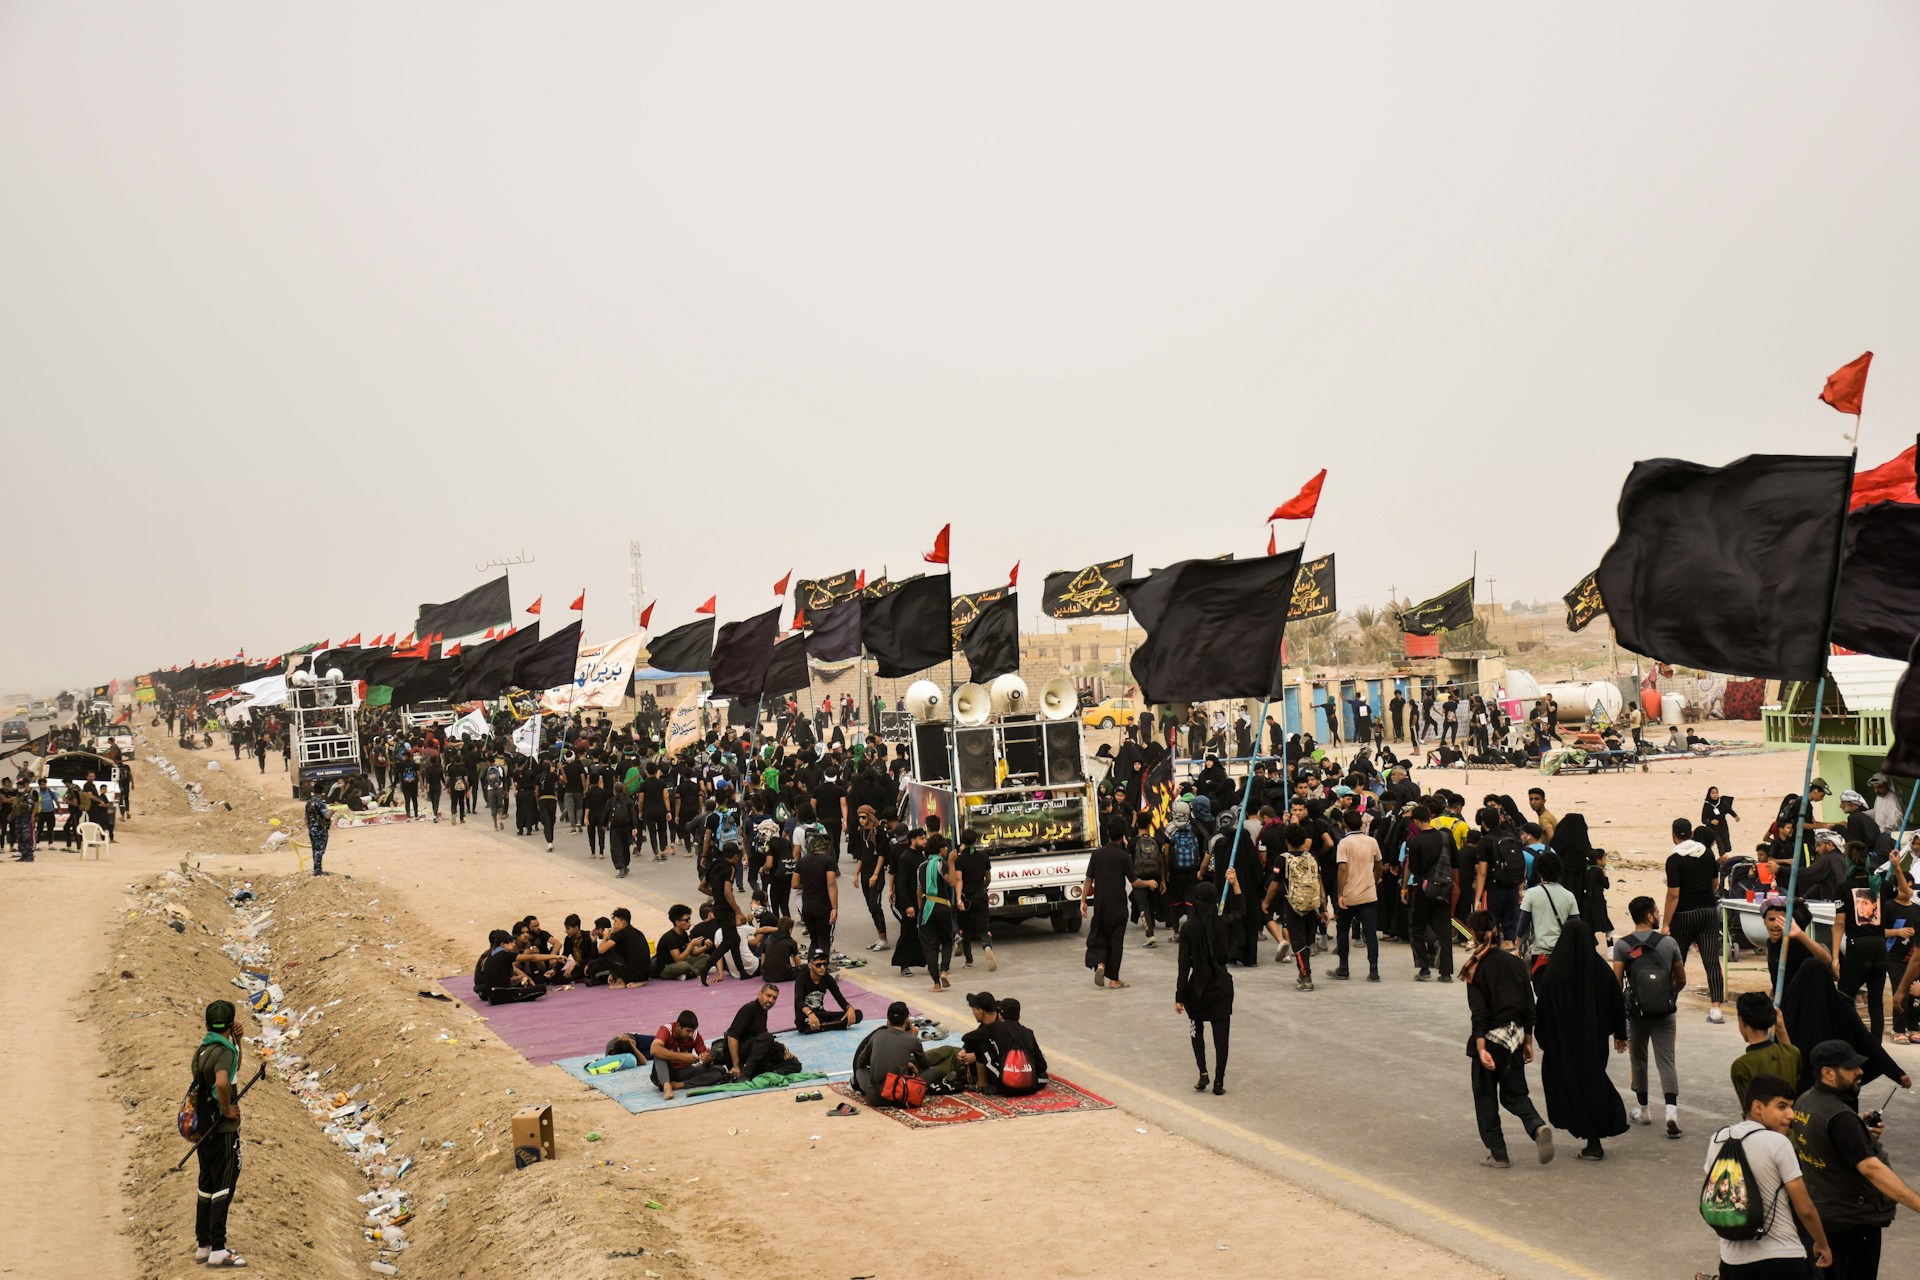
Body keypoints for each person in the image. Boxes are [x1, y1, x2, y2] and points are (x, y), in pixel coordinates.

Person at [1790, 1040, 1920, 1277]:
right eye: (1850, 1068)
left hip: (1824, 1219)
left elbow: (1825, 1146)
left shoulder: (1805, 1102)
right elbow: (1872, 1169)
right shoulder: (1840, 1117)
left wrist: (1862, 1134)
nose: (1859, 1072)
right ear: (1828, 1073)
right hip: (1853, 1222)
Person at [1702, 1072, 1832, 1278]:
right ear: (1758, 1107)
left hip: (1732, 1261)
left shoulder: (1718, 1139)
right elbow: (1805, 1208)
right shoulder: (1778, 1143)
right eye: (1782, 1106)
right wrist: (1822, 1244)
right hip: (1782, 1258)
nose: (1791, 1114)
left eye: (1791, 1106)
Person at [1462, 910, 1554, 1169]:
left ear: (1475, 935)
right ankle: (1537, 1127)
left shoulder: (1474, 967)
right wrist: (1527, 1040)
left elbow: (1478, 1013)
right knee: (1515, 1094)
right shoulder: (1515, 963)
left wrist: (1481, 1049)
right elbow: (1528, 1004)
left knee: (1486, 1097)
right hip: (1513, 1038)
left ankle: (1498, 1154)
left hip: (1489, 1040)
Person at [1610, 895, 1687, 1137]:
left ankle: (1643, 1110)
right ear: (1650, 916)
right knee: (1667, 1060)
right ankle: (1671, 1113)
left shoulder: (1623, 945)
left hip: (1637, 1014)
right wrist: (1669, 995)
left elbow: (1616, 984)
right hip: (1665, 1013)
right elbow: (1682, 978)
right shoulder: (1669, 943)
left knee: (1639, 1059)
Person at [190, 999, 248, 1268]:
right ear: (231, 1022)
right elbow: (224, 1081)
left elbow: (230, 1071)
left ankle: (204, 1245)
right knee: (224, 1184)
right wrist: (226, 1110)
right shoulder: (224, 1052)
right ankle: (219, 1249)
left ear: (207, 1024)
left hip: (203, 1127)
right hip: (221, 1127)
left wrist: (238, 1042)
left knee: (207, 1183)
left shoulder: (204, 1049)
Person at [1661, 817, 1727, 1024]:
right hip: (1707, 911)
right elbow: (1715, 884)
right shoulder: (1707, 853)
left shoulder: (1674, 859)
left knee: (1677, 959)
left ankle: (1670, 1001)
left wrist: (1665, 924)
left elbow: (1673, 894)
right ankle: (1716, 1008)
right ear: (1691, 833)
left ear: (1673, 835)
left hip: (1684, 915)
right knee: (1711, 960)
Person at [1176, 879, 1234, 1095]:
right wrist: (1236, 888)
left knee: (1195, 1030)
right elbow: (1244, 912)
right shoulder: (1223, 923)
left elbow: (1183, 966)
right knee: (1222, 1036)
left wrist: (1179, 996)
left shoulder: (1188, 928)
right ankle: (1219, 1080)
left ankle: (1203, 1072)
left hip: (1197, 988)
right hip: (1221, 986)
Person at [1405, 804, 1455, 982]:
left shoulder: (1416, 842)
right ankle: (1446, 972)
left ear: (1416, 822)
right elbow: (1454, 863)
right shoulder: (1445, 837)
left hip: (1423, 889)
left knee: (1417, 928)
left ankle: (1424, 968)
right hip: (1443, 888)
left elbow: (1414, 868)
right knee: (1444, 931)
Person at [1332, 808, 1383, 981]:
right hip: (1368, 893)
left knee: (1342, 929)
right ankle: (1374, 970)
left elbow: (1343, 868)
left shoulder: (1344, 843)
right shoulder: (1371, 841)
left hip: (1349, 894)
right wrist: (1374, 881)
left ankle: (1344, 967)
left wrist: (1340, 893)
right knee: (1370, 932)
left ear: (1344, 824)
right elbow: (1379, 865)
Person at [851, 1002, 934, 1107]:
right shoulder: (912, 1039)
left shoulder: (878, 1035)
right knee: (933, 1071)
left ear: (888, 1020)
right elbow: (925, 1065)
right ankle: (914, 1088)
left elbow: (860, 1062)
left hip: (875, 1098)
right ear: (907, 1020)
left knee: (860, 1071)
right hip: (899, 1096)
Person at [1083, 818, 1134, 989]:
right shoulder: (1124, 857)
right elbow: (1134, 882)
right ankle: (1114, 979)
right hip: (1118, 906)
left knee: (1100, 936)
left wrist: (1083, 900)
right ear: (1123, 835)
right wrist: (1149, 883)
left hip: (1101, 905)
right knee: (1116, 941)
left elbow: (1089, 879)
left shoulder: (1096, 855)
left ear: (1107, 833)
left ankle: (1100, 964)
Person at [1732, 991, 1801, 1113]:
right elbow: (1788, 1050)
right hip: (1788, 1127)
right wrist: (1780, 1026)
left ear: (1742, 1022)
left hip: (1761, 1130)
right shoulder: (1792, 1053)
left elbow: (1749, 1111)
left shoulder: (1741, 1066)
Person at [1518, 849, 1579, 983]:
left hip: (1540, 952)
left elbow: (1523, 923)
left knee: (1541, 991)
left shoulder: (1531, 894)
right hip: (1563, 953)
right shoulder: (1569, 895)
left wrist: (1518, 943)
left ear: (1539, 871)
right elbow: (1576, 924)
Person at [721, 983, 799, 1080]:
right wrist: (736, 1066)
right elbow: (732, 1037)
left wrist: (783, 1051)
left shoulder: (763, 1011)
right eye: (768, 996)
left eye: (774, 998)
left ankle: (768, 1074)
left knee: (794, 1063)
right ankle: (745, 1073)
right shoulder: (749, 1008)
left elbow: (761, 1040)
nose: (770, 1000)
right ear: (759, 994)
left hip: (753, 1055)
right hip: (740, 1057)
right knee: (767, 1037)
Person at [648, 1012, 728, 1100]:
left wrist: (707, 1060)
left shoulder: (694, 1035)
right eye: (688, 1031)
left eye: (692, 1031)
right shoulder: (666, 1030)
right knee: (659, 1053)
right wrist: (682, 1057)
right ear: (678, 1026)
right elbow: (654, 1049)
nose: (690, 1034)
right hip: (664, 1072)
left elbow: (706, 1059)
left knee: (719, 1071)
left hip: (684, 1072)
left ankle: (678, 1085)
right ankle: (667, 1086)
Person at [953, 827, 995, 971]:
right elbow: (988, 878)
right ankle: (987, 947)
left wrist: (958, 899)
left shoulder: (960, 860)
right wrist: (982, 887)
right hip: (980, 897)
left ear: (962, 842)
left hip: (966, 900)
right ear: (976, 840)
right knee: (983, 928)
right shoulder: (984, 857)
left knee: (965, 930)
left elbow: (959, 880)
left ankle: (969, 960)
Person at [794, 948, 866, 1032]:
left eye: (825, 964)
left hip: (821, 1014)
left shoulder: (827, 978)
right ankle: (835, 1024)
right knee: (800, 1019)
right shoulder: (801, 979)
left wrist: (849, 1008)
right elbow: (799, 1001)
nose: (822, 968)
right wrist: (810, 1013)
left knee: (857, 1014)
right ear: (810, 965)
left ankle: (822, 1026)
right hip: (806, 1015)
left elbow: (839, 998)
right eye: (818, 965)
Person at [652, 904, 717, 983]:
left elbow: (692, 952)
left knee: (706, 957)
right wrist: (691, 944)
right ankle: (698, 972)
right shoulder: (669, 937)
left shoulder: (684, 934)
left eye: (689, 919)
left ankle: (688, 973)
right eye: (686, 920)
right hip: (667, 968)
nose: (689, 922)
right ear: (677, 922)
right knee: (684, 965)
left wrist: (705, 947)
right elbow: (678, 959)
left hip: (681, 963)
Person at [590, 908, 650, 989]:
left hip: (633, 974)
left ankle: (620, 981)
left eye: (615, 921)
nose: (613, 925)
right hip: (645, 975)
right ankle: (636, 980)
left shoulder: (621, 933)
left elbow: (601, 950)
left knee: (605, 953)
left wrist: (605, 937)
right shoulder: (637, 932)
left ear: (623, 922)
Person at [304, 781, 331, 877]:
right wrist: (333, 812)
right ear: (322, 792)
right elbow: (326, 816)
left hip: (312, 829)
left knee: (315, 849)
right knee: (320, 850)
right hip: (320, 829)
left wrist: (310, 828)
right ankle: (318, 870)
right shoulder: (320, 803)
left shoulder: (309, 802)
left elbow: (306, 818)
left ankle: (316, 868)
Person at [1702, 786, 1739, 855]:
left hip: (1723, 827)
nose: (1715, 795)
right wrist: (1711, 821)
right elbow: (1703, 820)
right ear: (1709, 794)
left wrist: (1735, 816)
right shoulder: (1707, 805)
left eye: (1716, 793)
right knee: (1720, 845)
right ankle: (1722, 859)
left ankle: (1723, 856)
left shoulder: (1721, 802)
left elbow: (1728, 810)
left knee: (1727, 846)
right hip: (1712, 829)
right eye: (1712, 793)